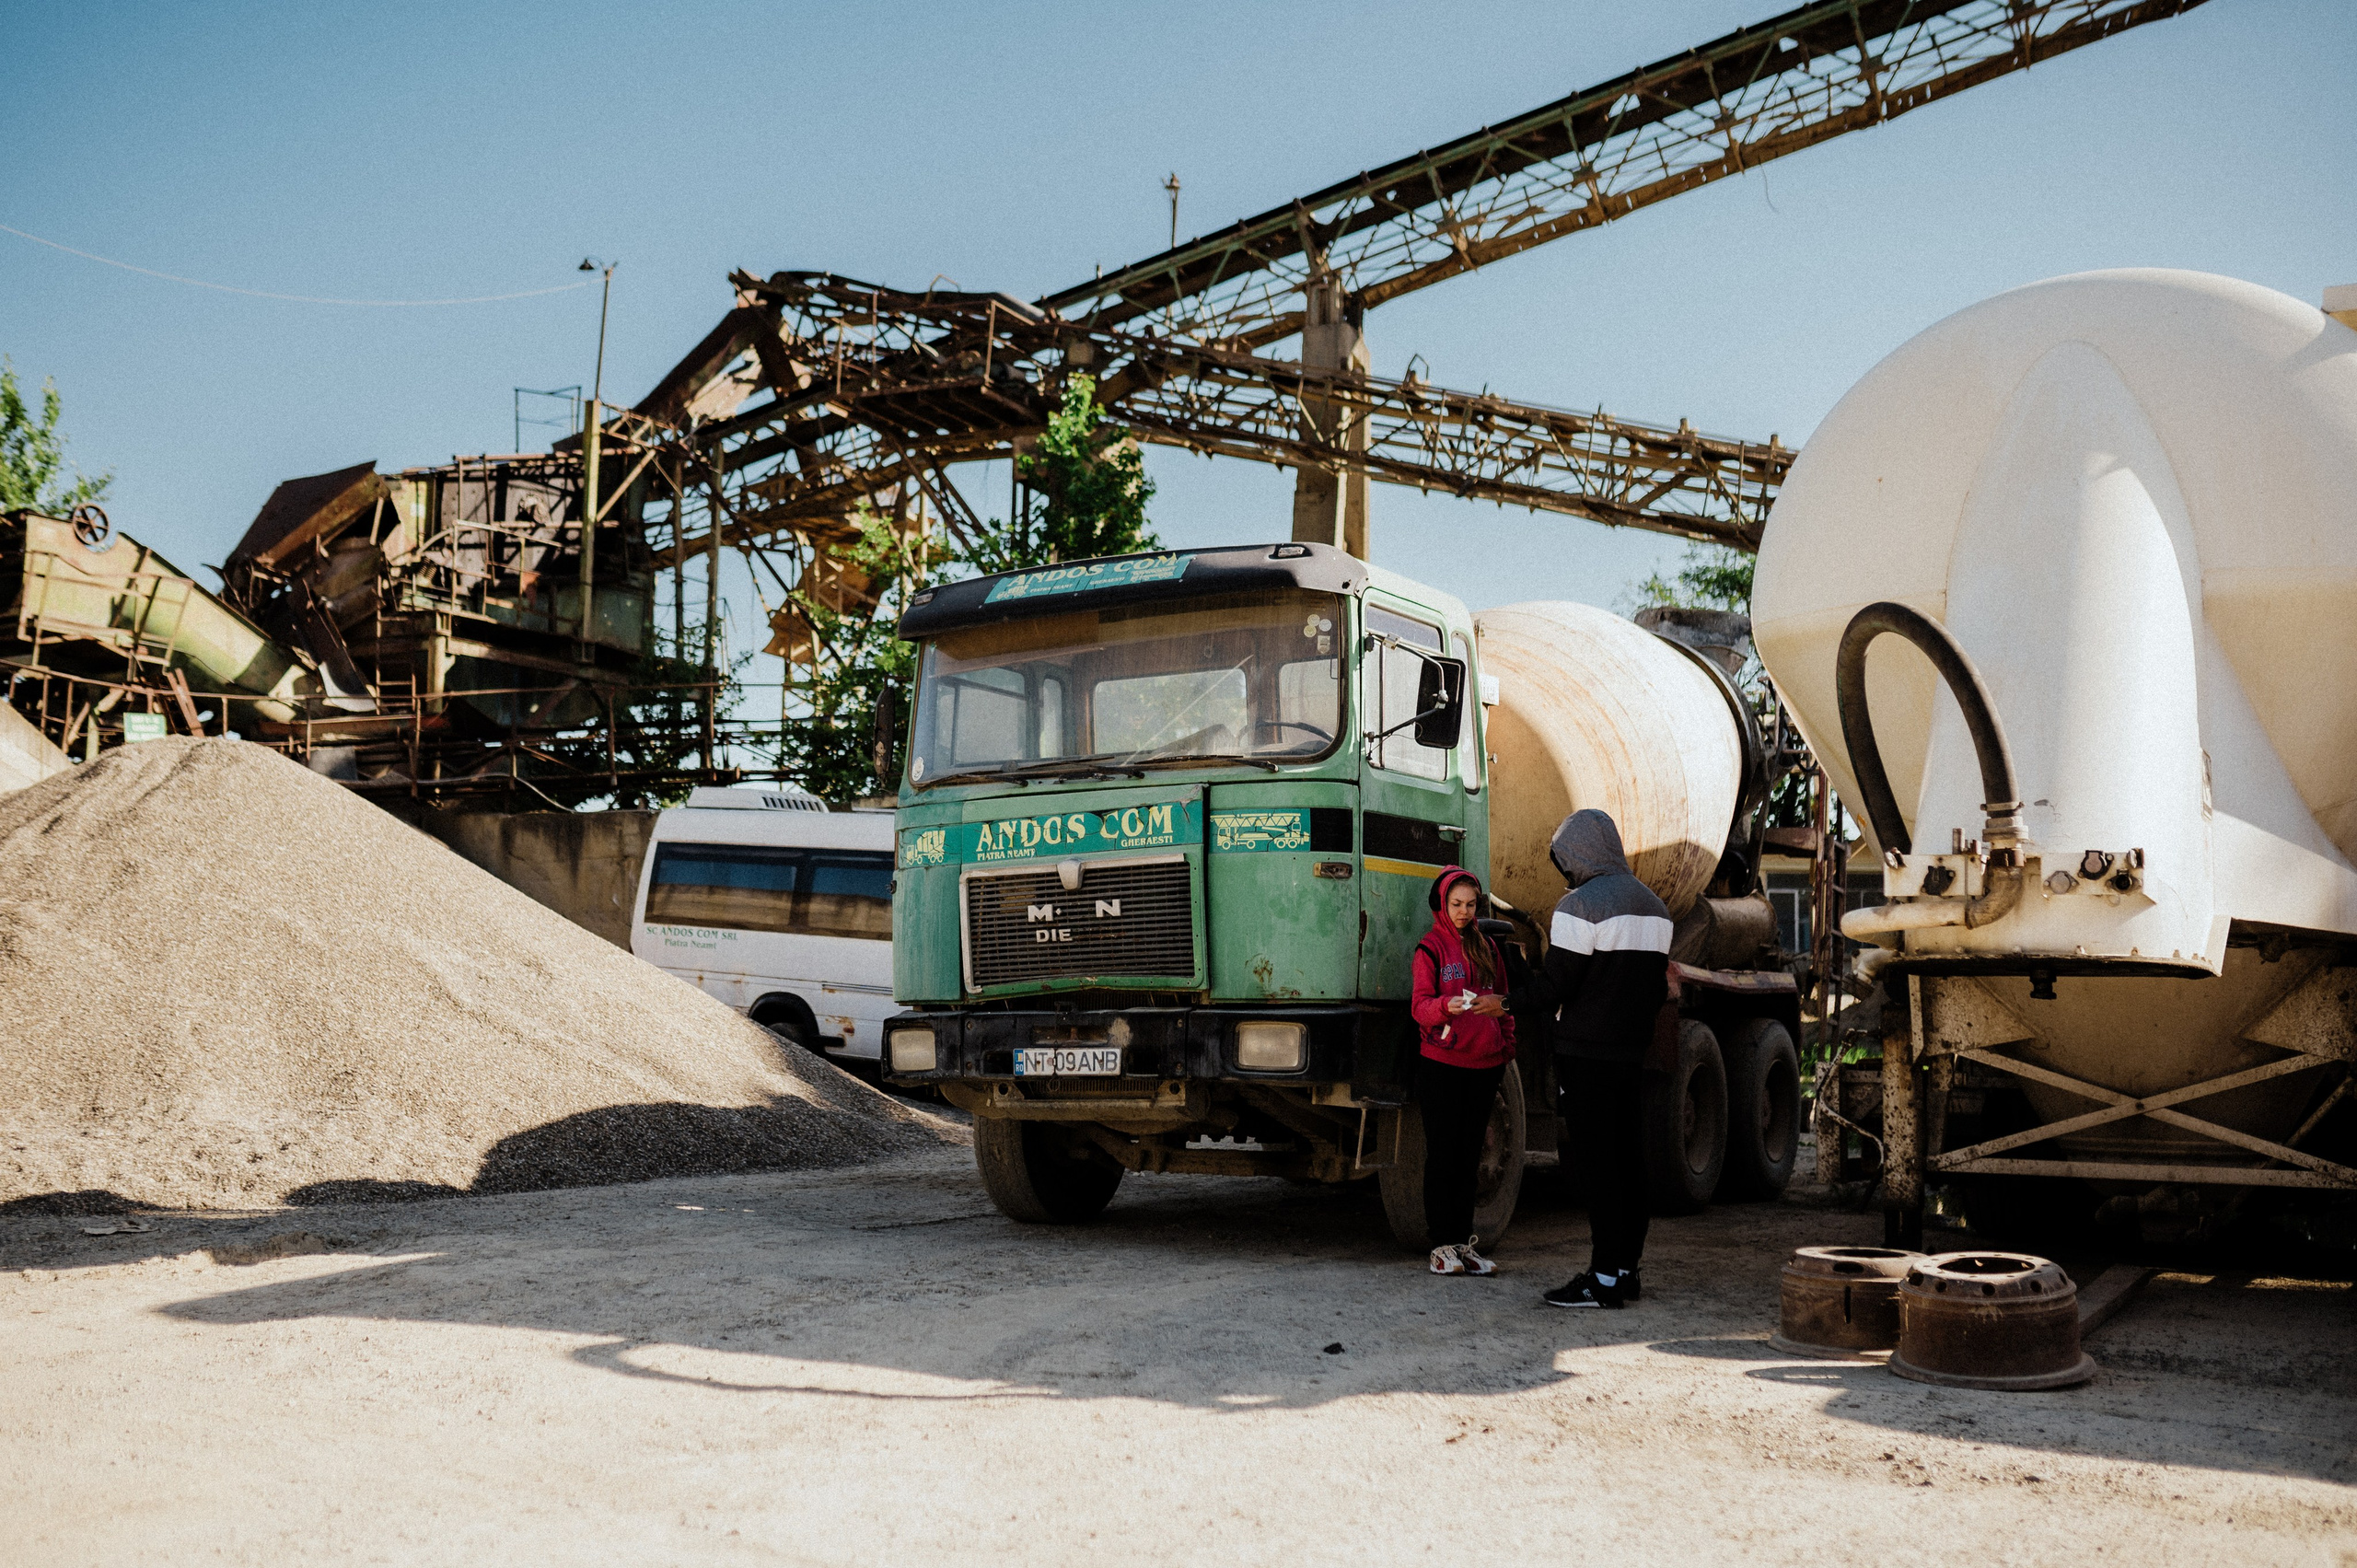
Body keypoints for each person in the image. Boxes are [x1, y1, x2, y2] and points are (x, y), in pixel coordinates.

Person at [1507, 809, 1673, 1309]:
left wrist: (1512, 977)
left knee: (1596, 1167)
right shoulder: (1657, 908)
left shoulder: (1579, 906)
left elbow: (1557, 987)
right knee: (1628, 1160)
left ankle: (1600, 1281)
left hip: (1585, 1056)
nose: (1565, 871)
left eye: (1565, 859)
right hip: (1631, 1055)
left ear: (1577, 853)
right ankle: (1625, 1272)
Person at [1408, 865, 1516, 1276]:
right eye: (1456, 904)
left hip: (1485, 1065)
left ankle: (1463, 1244)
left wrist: (1506, 1045)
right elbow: (1419, 1006)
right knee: (1443, 1156)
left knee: (1469, 1157)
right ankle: (1440, 1247)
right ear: (1442, 902)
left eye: (1471, 905)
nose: (1464, 912)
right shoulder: (1429, 948)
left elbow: (1503, 1000)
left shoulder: (1488, 947)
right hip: (1442, 1064)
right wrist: (1443, 1008)